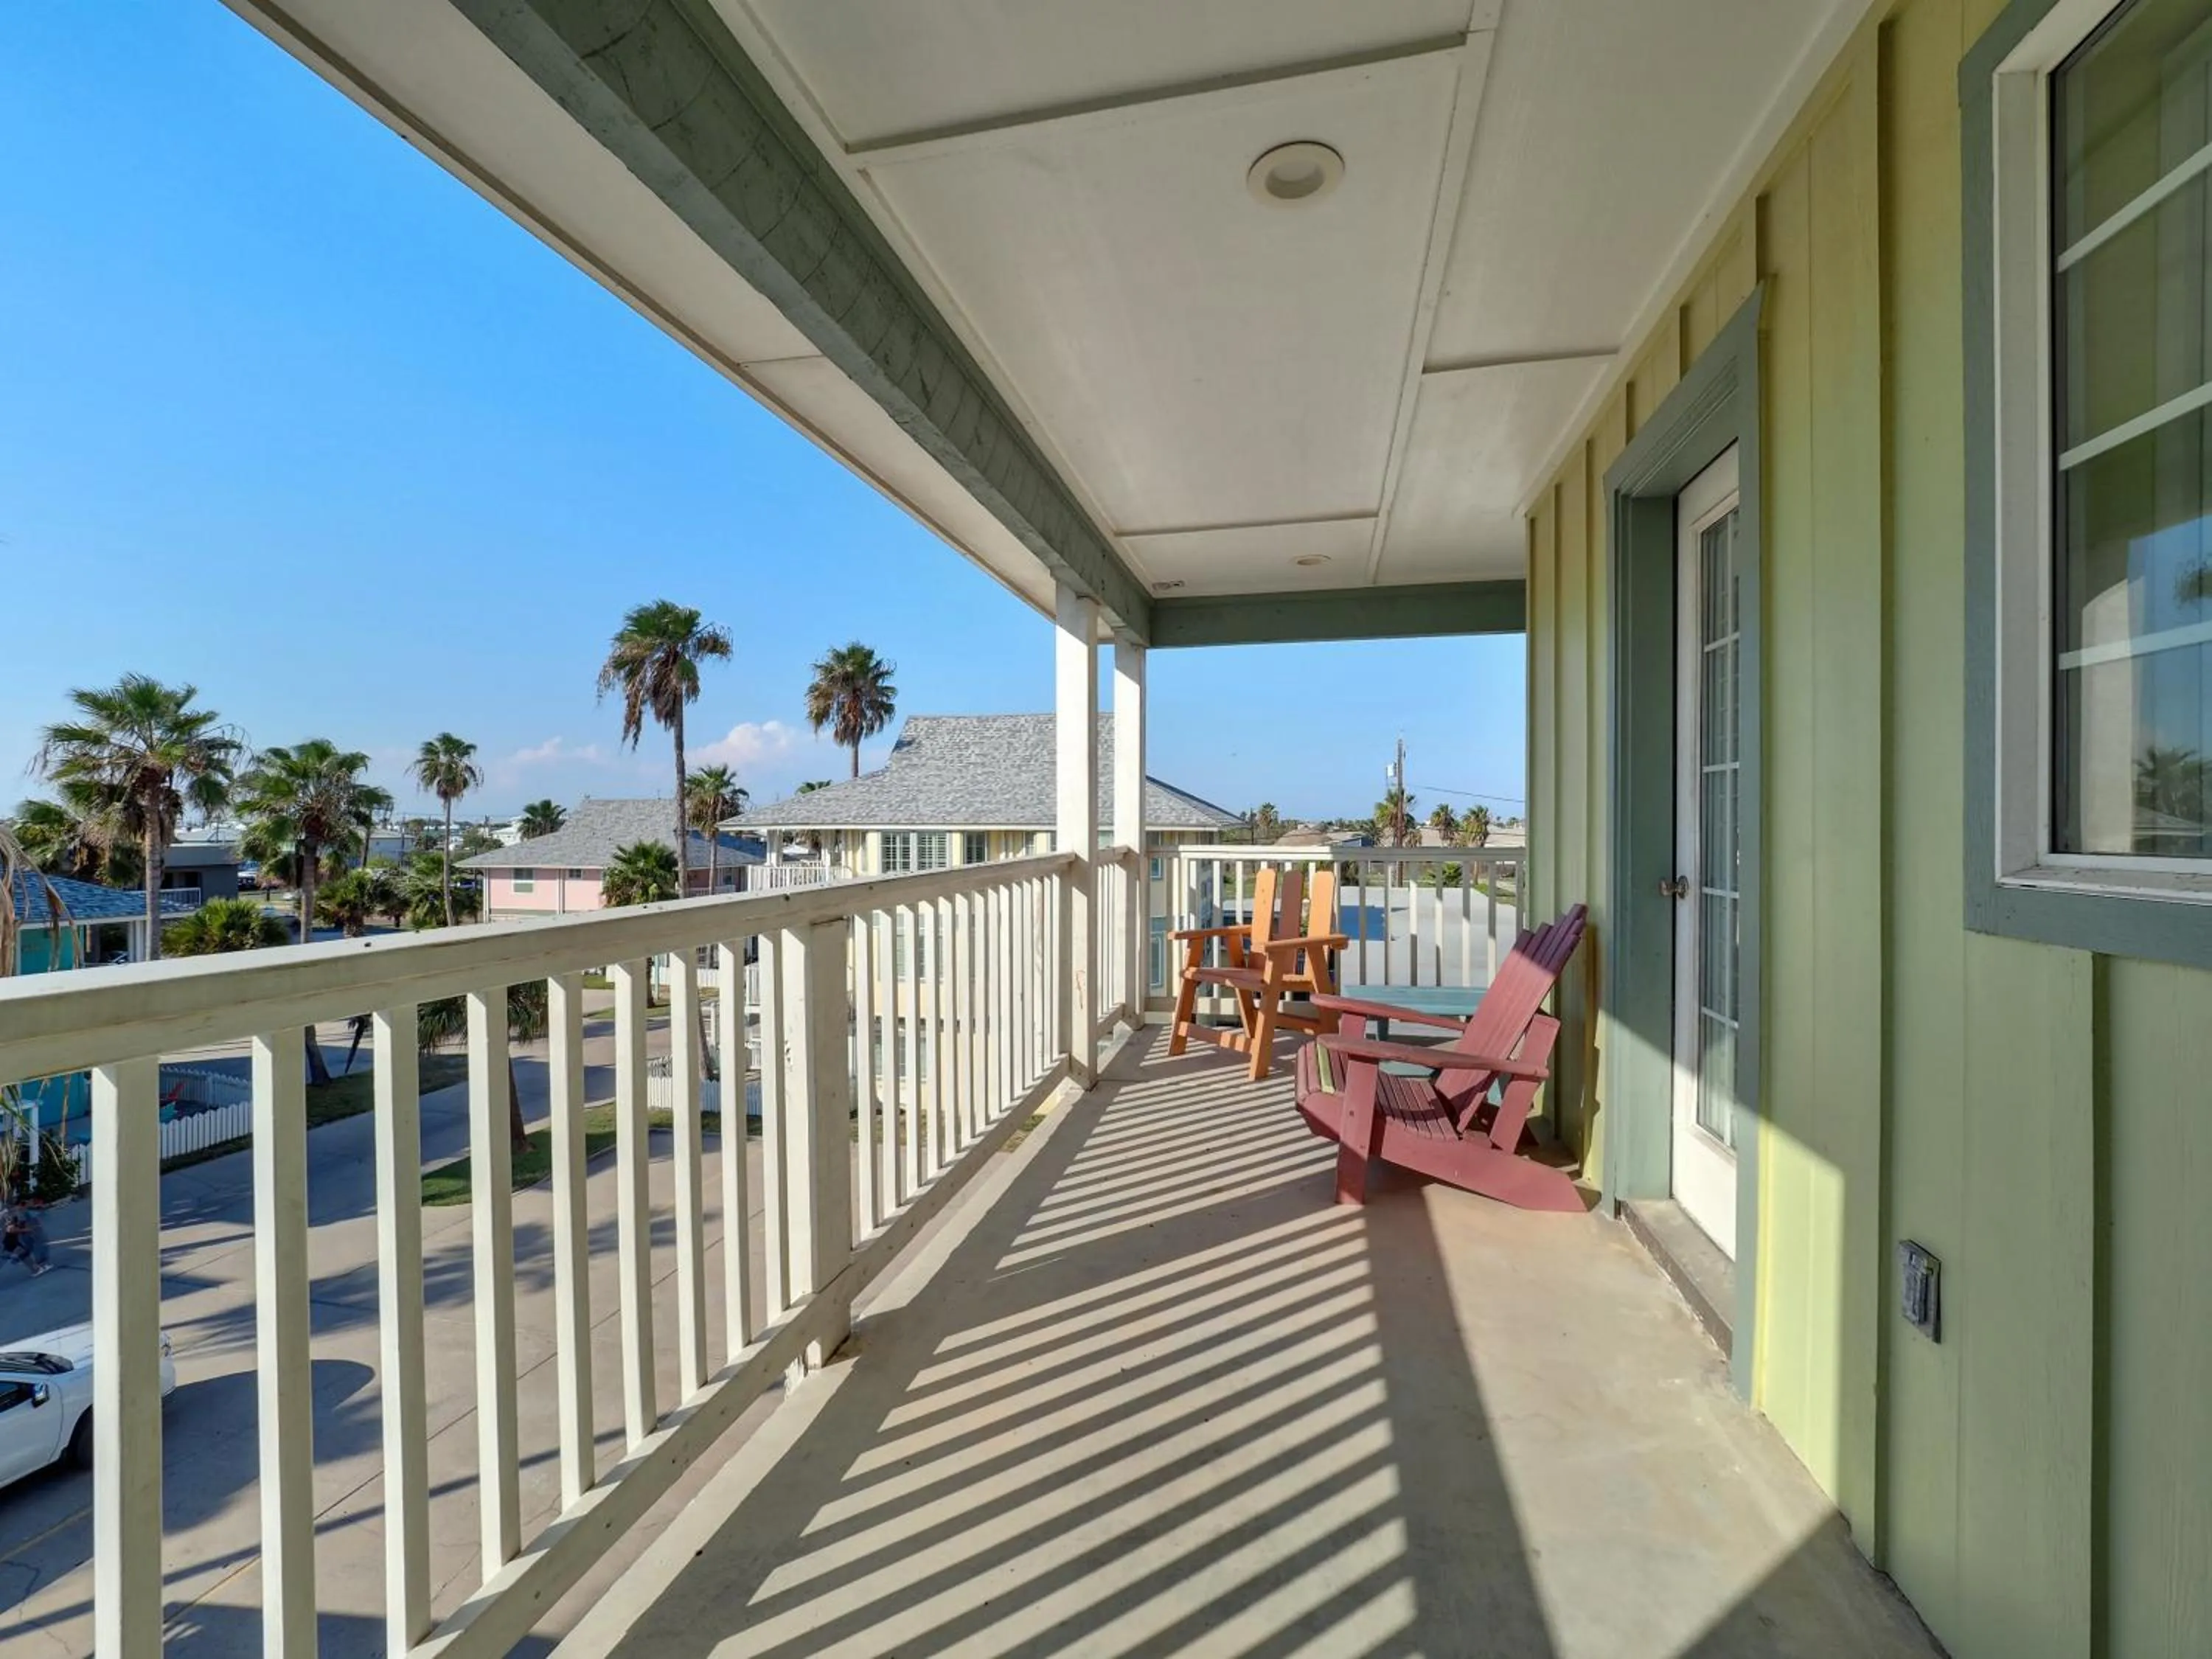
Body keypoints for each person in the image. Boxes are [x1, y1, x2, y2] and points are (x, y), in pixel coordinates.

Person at [2, 1201, 50, 1276]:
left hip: (11, 1240)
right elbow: (11, 1229)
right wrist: (26, 1230)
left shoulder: (14, 1216)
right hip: (10, 1241)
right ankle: (36, 1269)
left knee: (23, 1253)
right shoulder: (11, 1216)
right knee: (23, 1253)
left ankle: (35, 1268)